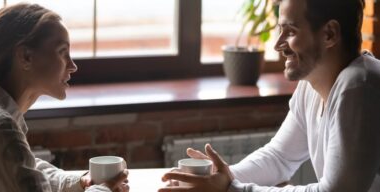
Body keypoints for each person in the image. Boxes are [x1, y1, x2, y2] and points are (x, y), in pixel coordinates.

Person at [159, 0, 380, 191]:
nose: (277, 45)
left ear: (329, 34)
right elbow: (279, 157)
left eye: (291, 31)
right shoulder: (312, 85)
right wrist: (222, 177)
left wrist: (231, 188)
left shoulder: (359, 86)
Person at [0, 3, 129, 192]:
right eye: (62, 52)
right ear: (26, 56)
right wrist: (104, 190)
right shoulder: (2, 128)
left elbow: (28, 168)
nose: (73, 65)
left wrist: (82, 181)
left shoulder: (5, 124)